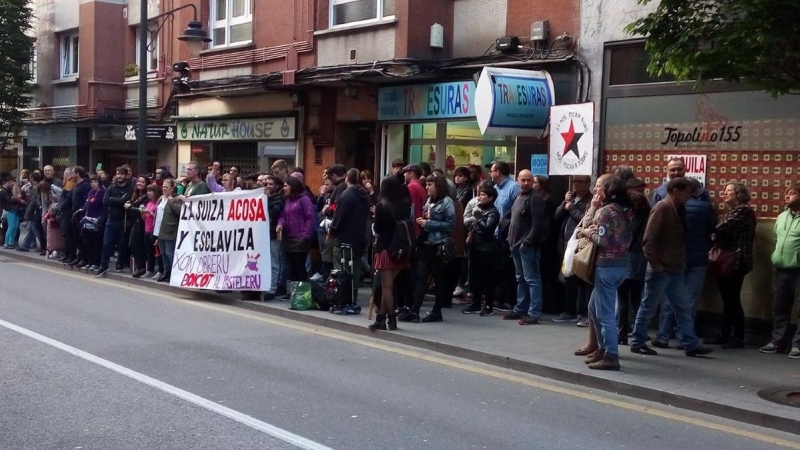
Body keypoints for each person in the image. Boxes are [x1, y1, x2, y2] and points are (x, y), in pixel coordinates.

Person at [630, 177, 713, 357]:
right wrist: (657, 265)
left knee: (683, 307)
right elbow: (648, 241)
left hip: (674, 268)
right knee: (649, 307)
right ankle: (637, 341)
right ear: (675, 190)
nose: (688, 197)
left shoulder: (679, 209)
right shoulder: (662, 208)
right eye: (686, 193)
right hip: (661, 268)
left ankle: (691, 344)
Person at [579, 176, 632, 370]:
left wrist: (587, 233)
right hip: (622, 265)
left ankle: (611, 354)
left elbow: (603, 241)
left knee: (606, 313)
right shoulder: (624, 210)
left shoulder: (605, 211)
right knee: (594, 307)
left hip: (606, 265)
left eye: (602, 187)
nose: (597, 190)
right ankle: (602, 349)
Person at [656, 178, 716, 348]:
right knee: (689, 301)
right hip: (697, 259)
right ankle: (684, 337)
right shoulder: (706, 208)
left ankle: (663, 335)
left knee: (669, 298)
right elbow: (712, 232)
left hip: (675, 259)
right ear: (696, 191)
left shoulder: (670, 207)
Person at [704, 182, 757, 349]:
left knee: (732, 299)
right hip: (730, 260)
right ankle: (725, 334)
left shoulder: (743, 211)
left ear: (739, 194)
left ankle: (737, 337)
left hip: (735, 261)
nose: (724, 193)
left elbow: (721, 229)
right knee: (727, 300)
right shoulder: (735, 211)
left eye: (729, 191)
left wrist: (712, 234)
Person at [398, 174, 455, 323]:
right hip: (425, 244)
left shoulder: (447, 202)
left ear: (439, 186)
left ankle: (437, 312)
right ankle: (415, 311)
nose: (427, 187)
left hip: (439, 245)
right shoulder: (430, 200)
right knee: (421, 278)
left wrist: (428, 224)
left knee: (439, 279)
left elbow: (450, 225)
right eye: (427, 184)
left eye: (430, 184)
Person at [503, 170, 549, 325]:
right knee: (521, 278)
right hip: (514, 244)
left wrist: (527, 242)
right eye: (523, 180)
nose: (526, 183)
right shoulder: (519, 196)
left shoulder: (535, 198)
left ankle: (534, 313)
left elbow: (538, 224)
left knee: (532, 279)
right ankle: (520, 308)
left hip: (526, 246)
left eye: (529, 180)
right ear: (517, 181)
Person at [760, 183, 800, 358]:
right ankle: (778, 341)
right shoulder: (782, 216)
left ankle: (797, 344)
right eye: (786, 193)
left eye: (791, 193)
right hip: (780, 269)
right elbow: (777, 239)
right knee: (779, 307)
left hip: (798, 270)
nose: (786, 196)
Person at [370, 175, 413, 331]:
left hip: (385, 248)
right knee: (387, 284)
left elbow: (378, 229)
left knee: (386, 287)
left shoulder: (382, 205)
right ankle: (381, 317)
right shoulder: (405, 204)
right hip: (401, 248)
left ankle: (392, 320)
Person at [553, 175, 592, 324]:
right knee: (568, 278)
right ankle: (569, 310)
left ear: (587, 183)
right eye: (574, 181)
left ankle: (581, 312)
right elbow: (557, 216)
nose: (576, 185)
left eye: (579, 182)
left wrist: (572, 208)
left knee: (579, 280)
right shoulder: (571, 199)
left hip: (579, 245)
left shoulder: (590, 201)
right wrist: (565, 203)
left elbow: (585, 220)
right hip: (566, 244)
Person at [617, 177, 651, 345]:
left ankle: (622, 332)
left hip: (626, 258)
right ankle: (640, 331)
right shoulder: (648, 216)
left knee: (623, 298)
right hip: (640, 260)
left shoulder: (627, 217)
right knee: (637, 298)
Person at [330, 168, 371, 298]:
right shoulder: (364, 195)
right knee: (355, 268)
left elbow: (339, 216)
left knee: (342, 268)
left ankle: (343, 296)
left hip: (344, 238)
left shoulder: (347, 195)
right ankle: (353, 294)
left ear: (347, 178)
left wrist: (332, 229)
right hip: (359, 237)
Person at [462, 184, 500, 316]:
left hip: (486, 247)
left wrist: (478, 217)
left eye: (483, 195)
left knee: (487, 277)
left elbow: (488, 228)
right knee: (474, 275)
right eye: (480, 194)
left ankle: (488, 304)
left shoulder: (493, 212)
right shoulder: (478, 208)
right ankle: (475, 302)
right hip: (474, 245)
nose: (480, 197)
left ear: (490, 198)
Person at [276, 176, 315, 286]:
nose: (284, 188)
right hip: (289, 238)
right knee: (292, 267)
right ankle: (294, 291)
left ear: (292, 186)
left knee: (300, 267)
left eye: (285, 186)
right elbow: (283, 216)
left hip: (300, 238)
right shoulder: (287, 201)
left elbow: (310, 218)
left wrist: (306, 235)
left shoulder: (304, 199)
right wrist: (280, 224)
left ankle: (302, 292)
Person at [95, 167, 133, 277]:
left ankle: (119, 264)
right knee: (106, 243)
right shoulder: (111, 187)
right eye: (118, 174)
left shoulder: (130, 188)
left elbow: (123, 201)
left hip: (123, 220)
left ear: (126, 176)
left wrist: (114, 199)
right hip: (111, 219)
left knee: (122, 244)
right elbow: (105, 201)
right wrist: (118, 200)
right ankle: (103, 265)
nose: (119, 176)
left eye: (122, 174)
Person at [532, 174, 560, 313]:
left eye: (535, 182)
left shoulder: (548, 201)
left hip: (546, 243)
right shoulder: (535, 198)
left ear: (541, 185)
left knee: (545, 274)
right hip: (541, 241)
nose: (532, 185)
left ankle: (549, 304)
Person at [125, 176, 154, 278]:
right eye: (139, 181)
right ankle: (139, 265)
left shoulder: (145, 197)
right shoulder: (136, 195)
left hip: (141, 223)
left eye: (142, 182)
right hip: (135, 222)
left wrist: (130, 208)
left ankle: (141, 266)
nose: (140, 183)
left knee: (137, 244)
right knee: (132, 244)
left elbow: (141, 210)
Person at [153, 178, 180, 283]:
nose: (164, 189)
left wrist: (171, 201)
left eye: (166, 187)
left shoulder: (175, 199)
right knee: (163, 253)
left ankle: (173, 273)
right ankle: (166, 272)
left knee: (170, 253)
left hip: (170, 230)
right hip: (159, 230)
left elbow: (179, 211)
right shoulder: (161, 198)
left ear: (172, 188)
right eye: (163, 187)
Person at [76, 175, 106, 269]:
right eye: (92, 182)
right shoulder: (90, 192)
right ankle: (89, 261)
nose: (93, 184)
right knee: (87, 242)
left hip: (98, 221)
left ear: (99, 183)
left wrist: (100, 219)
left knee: (96, 243)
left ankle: (96, 263)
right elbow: (86, 205)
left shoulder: (102, 193)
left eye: (95, 182)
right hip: (88, 220)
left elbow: (104, 208)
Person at [264, 175, 286, 299]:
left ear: (277, 186)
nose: (267, 186)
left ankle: (272, 289)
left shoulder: (278, 199)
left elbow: (273, 212)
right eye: (266, 184)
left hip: (273, 235)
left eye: (270, 184)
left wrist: (265, 200)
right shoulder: (263, 198)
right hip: (262, 235)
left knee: (274, 262)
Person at [0, 175, 26, 249]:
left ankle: (11, 242)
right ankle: (6, 242)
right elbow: (9, 200)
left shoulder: (9, 191)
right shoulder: (2, 191)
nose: (11, 184)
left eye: (12, 182)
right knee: (11, 226)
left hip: (15, 209)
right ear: (5, 182)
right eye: (9, 182)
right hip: (9, 210)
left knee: (15, 226)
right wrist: (16, 198)